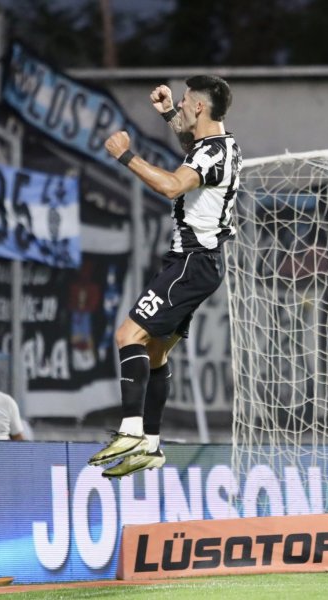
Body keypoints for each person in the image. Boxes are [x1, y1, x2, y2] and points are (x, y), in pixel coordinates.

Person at [89, 75, 240, 478]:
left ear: (201, 108)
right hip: (200, 264)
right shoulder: (220, 145)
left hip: (190, 261)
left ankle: (131, 431)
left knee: (128, 336)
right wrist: (171, 112)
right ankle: (152, 444)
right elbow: (193, 151)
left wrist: (126, 156)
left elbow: (173, 186)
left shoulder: (211, 154)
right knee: (155, 352)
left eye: (188, 100)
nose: (185, 104)